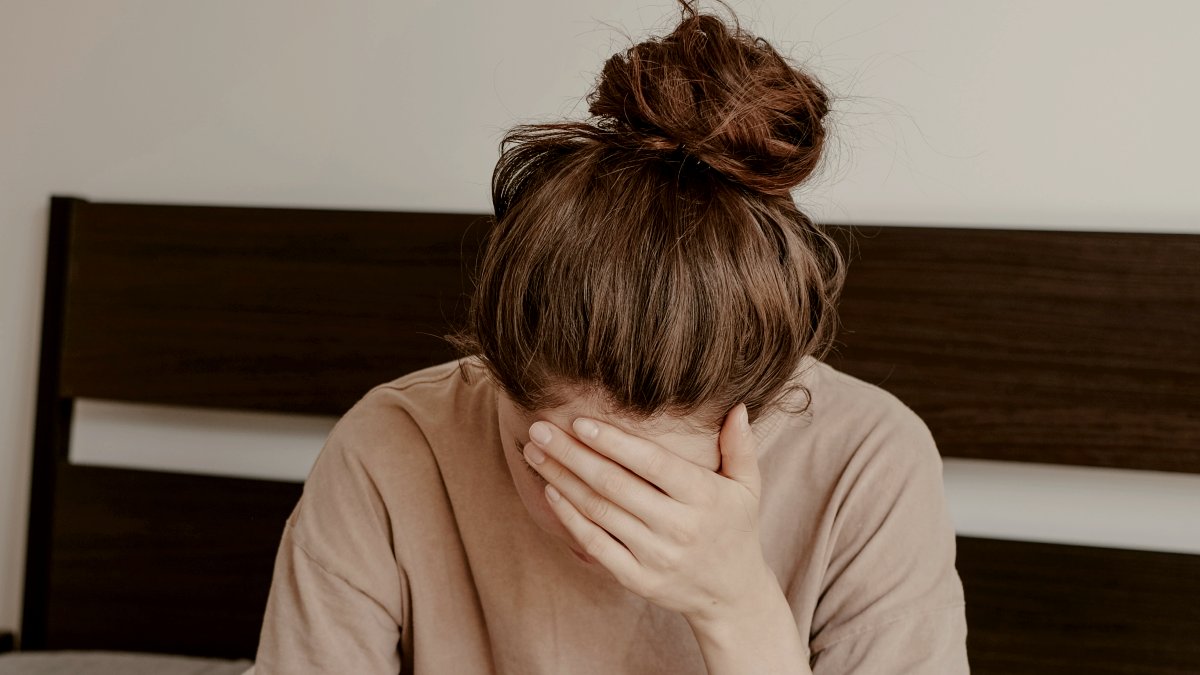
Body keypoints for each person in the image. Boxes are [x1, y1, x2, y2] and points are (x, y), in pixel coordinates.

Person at [251, 1, 969, 672]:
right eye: (558, 467)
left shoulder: (869, 465)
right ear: (496, 377)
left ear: (758, 407)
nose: (600, 523)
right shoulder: (394, 446)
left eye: (650, 483)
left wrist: (734, 604)